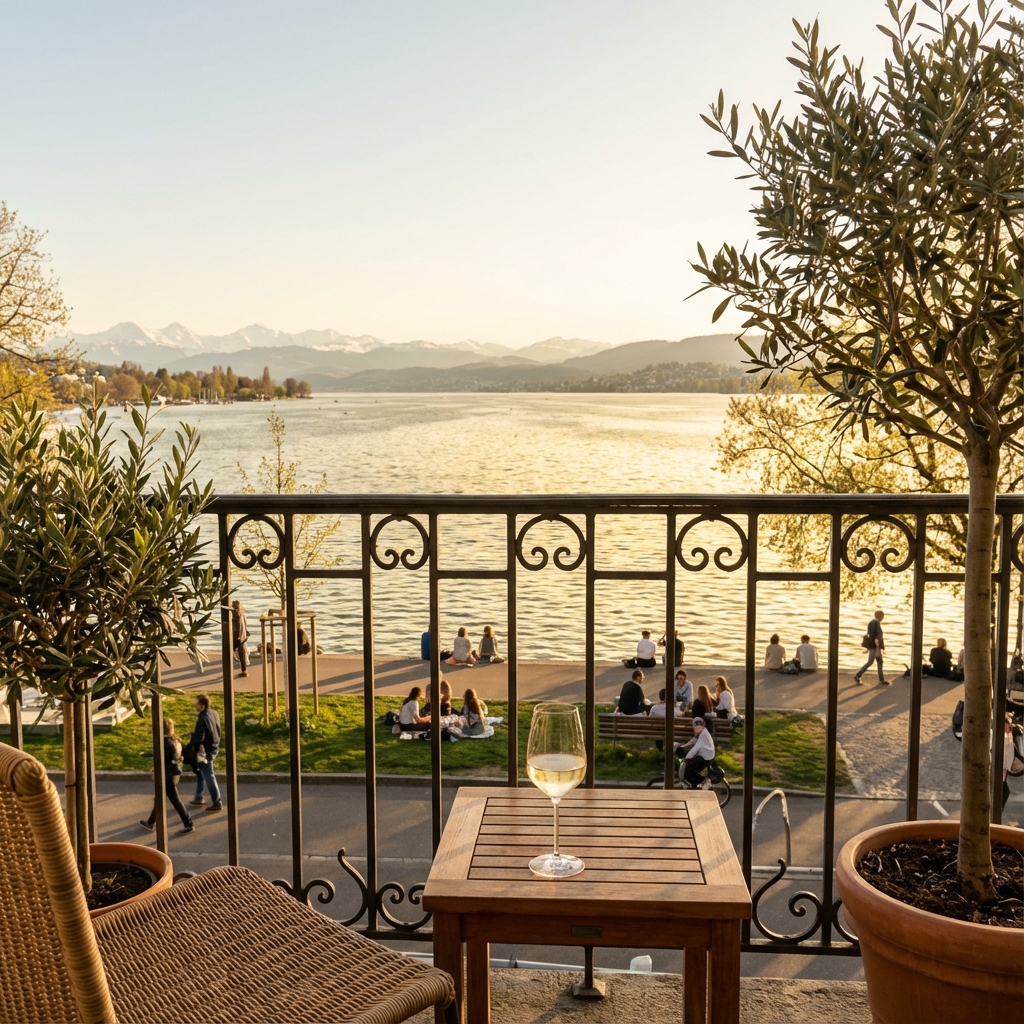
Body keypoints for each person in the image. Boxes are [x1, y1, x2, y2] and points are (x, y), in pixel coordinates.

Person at [140, 717, 194, 835]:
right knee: (159, 798)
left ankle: (188, 823)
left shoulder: (164, 743)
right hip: (174, 774)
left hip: (167, 775)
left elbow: (162, 760)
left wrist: (156, 773)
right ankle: (150, 822)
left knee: (175, 800)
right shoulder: (176, 740)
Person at [190, 695, 223, 812]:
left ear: (202, 706)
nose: (195, 706)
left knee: (209, 775)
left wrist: (194, 749)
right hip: (214, 746)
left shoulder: (202, 719)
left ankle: (217, 803)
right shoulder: (214, 713)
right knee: (200, 771)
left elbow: (198, 738)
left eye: (197, 704)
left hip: (205, 751)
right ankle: (199, 797)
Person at [680, 718, 716, 788]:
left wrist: (686, 758)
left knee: (688, 769)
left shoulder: (703, 735)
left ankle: (704, 781)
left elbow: (696, 748)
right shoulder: (702, 732)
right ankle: (695, 784)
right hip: (704, 755)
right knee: (688, 766)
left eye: (696, 727)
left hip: (706, 757)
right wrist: (683, 746)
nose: (695, 729)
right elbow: (693, 740)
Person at [855, 610, 888, 685]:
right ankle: (858, 675)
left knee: (878, 662)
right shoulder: (876, 623)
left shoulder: (872, 622)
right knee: (871, 661)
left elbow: (870, 634)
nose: (883, 618)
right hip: (875, 646)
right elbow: (876, 637)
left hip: (872, 645)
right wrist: (878, 648)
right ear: (880, 616)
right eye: (882, 616)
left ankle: (881, 679)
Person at [231, 600, 249, 678]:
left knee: (229, 653)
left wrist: (235, 637)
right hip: (243, 636)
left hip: (237, 637)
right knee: (242, 654)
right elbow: (245, 625)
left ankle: (230, 669)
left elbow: (237, 627)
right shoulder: (243, 614)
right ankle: (244, 671)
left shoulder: (236, 615)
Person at [1002, 713, 1015, 811]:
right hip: (1003, 767)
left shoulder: (1009, 735)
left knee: (1004, 791)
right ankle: (999, 808)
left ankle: (999, 808)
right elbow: (1006, 753)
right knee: (1005, 791)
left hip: (1005, 767)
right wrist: (1005, 768)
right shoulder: (1004, 737)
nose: (1009, 727)